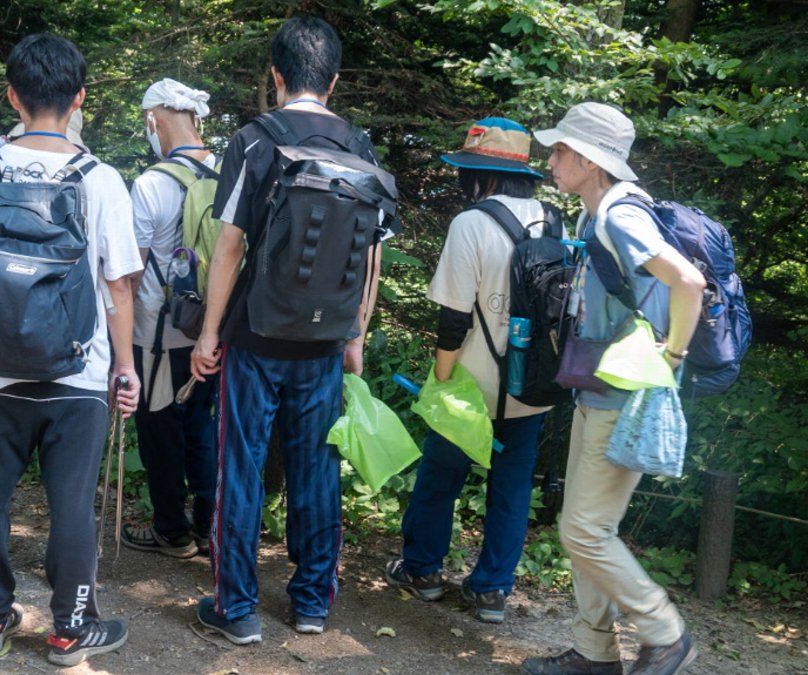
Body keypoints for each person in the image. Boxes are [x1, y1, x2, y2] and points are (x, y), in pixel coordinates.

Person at [190, 16, 395, 642]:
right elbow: (372, 256)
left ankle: (239, 609)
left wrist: (208, 334)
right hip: (326, 341)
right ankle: (311, 603)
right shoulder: (359, 147)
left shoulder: (256, 139)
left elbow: (229, 247)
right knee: (316, 467)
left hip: (255, 336)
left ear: (275, 75)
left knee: (242, 467)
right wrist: (355, 335)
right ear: (332, 79)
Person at [0, 33, 141, 666]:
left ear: (12, 96)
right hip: (77, 371)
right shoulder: (100, 178)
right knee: (70, 505)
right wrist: (128, 367)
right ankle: (68, 629)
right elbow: (117, 284)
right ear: (79, 98)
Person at [522, 102, 704, 675]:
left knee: (584, 529)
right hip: (596, 387)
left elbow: (690, 282)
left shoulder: (619, 216)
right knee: (583, 529)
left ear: (589, 159)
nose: (550, 160)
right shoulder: (593, 212)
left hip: (623, 396)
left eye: (559, 151)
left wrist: (671, 357)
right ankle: (594, 654)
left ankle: (665, 632)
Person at [385, 118, 555, 624]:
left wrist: (440, 382)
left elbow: (453, 317)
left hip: (473, 386)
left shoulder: (471, 223)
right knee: (513, 485)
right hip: (534, 383)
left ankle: (423, 571)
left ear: (477, 176)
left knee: (440, 476)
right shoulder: (554, 220)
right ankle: (491, 591)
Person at [121, 78, 218, 559]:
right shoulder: (229, 173)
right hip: (214, 332)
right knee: (203, 426)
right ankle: (208, 526)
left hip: (158, 334)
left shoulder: (151, 183)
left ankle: (171, 531)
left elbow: (133, 272)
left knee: (160, 432)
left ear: (152, 121)